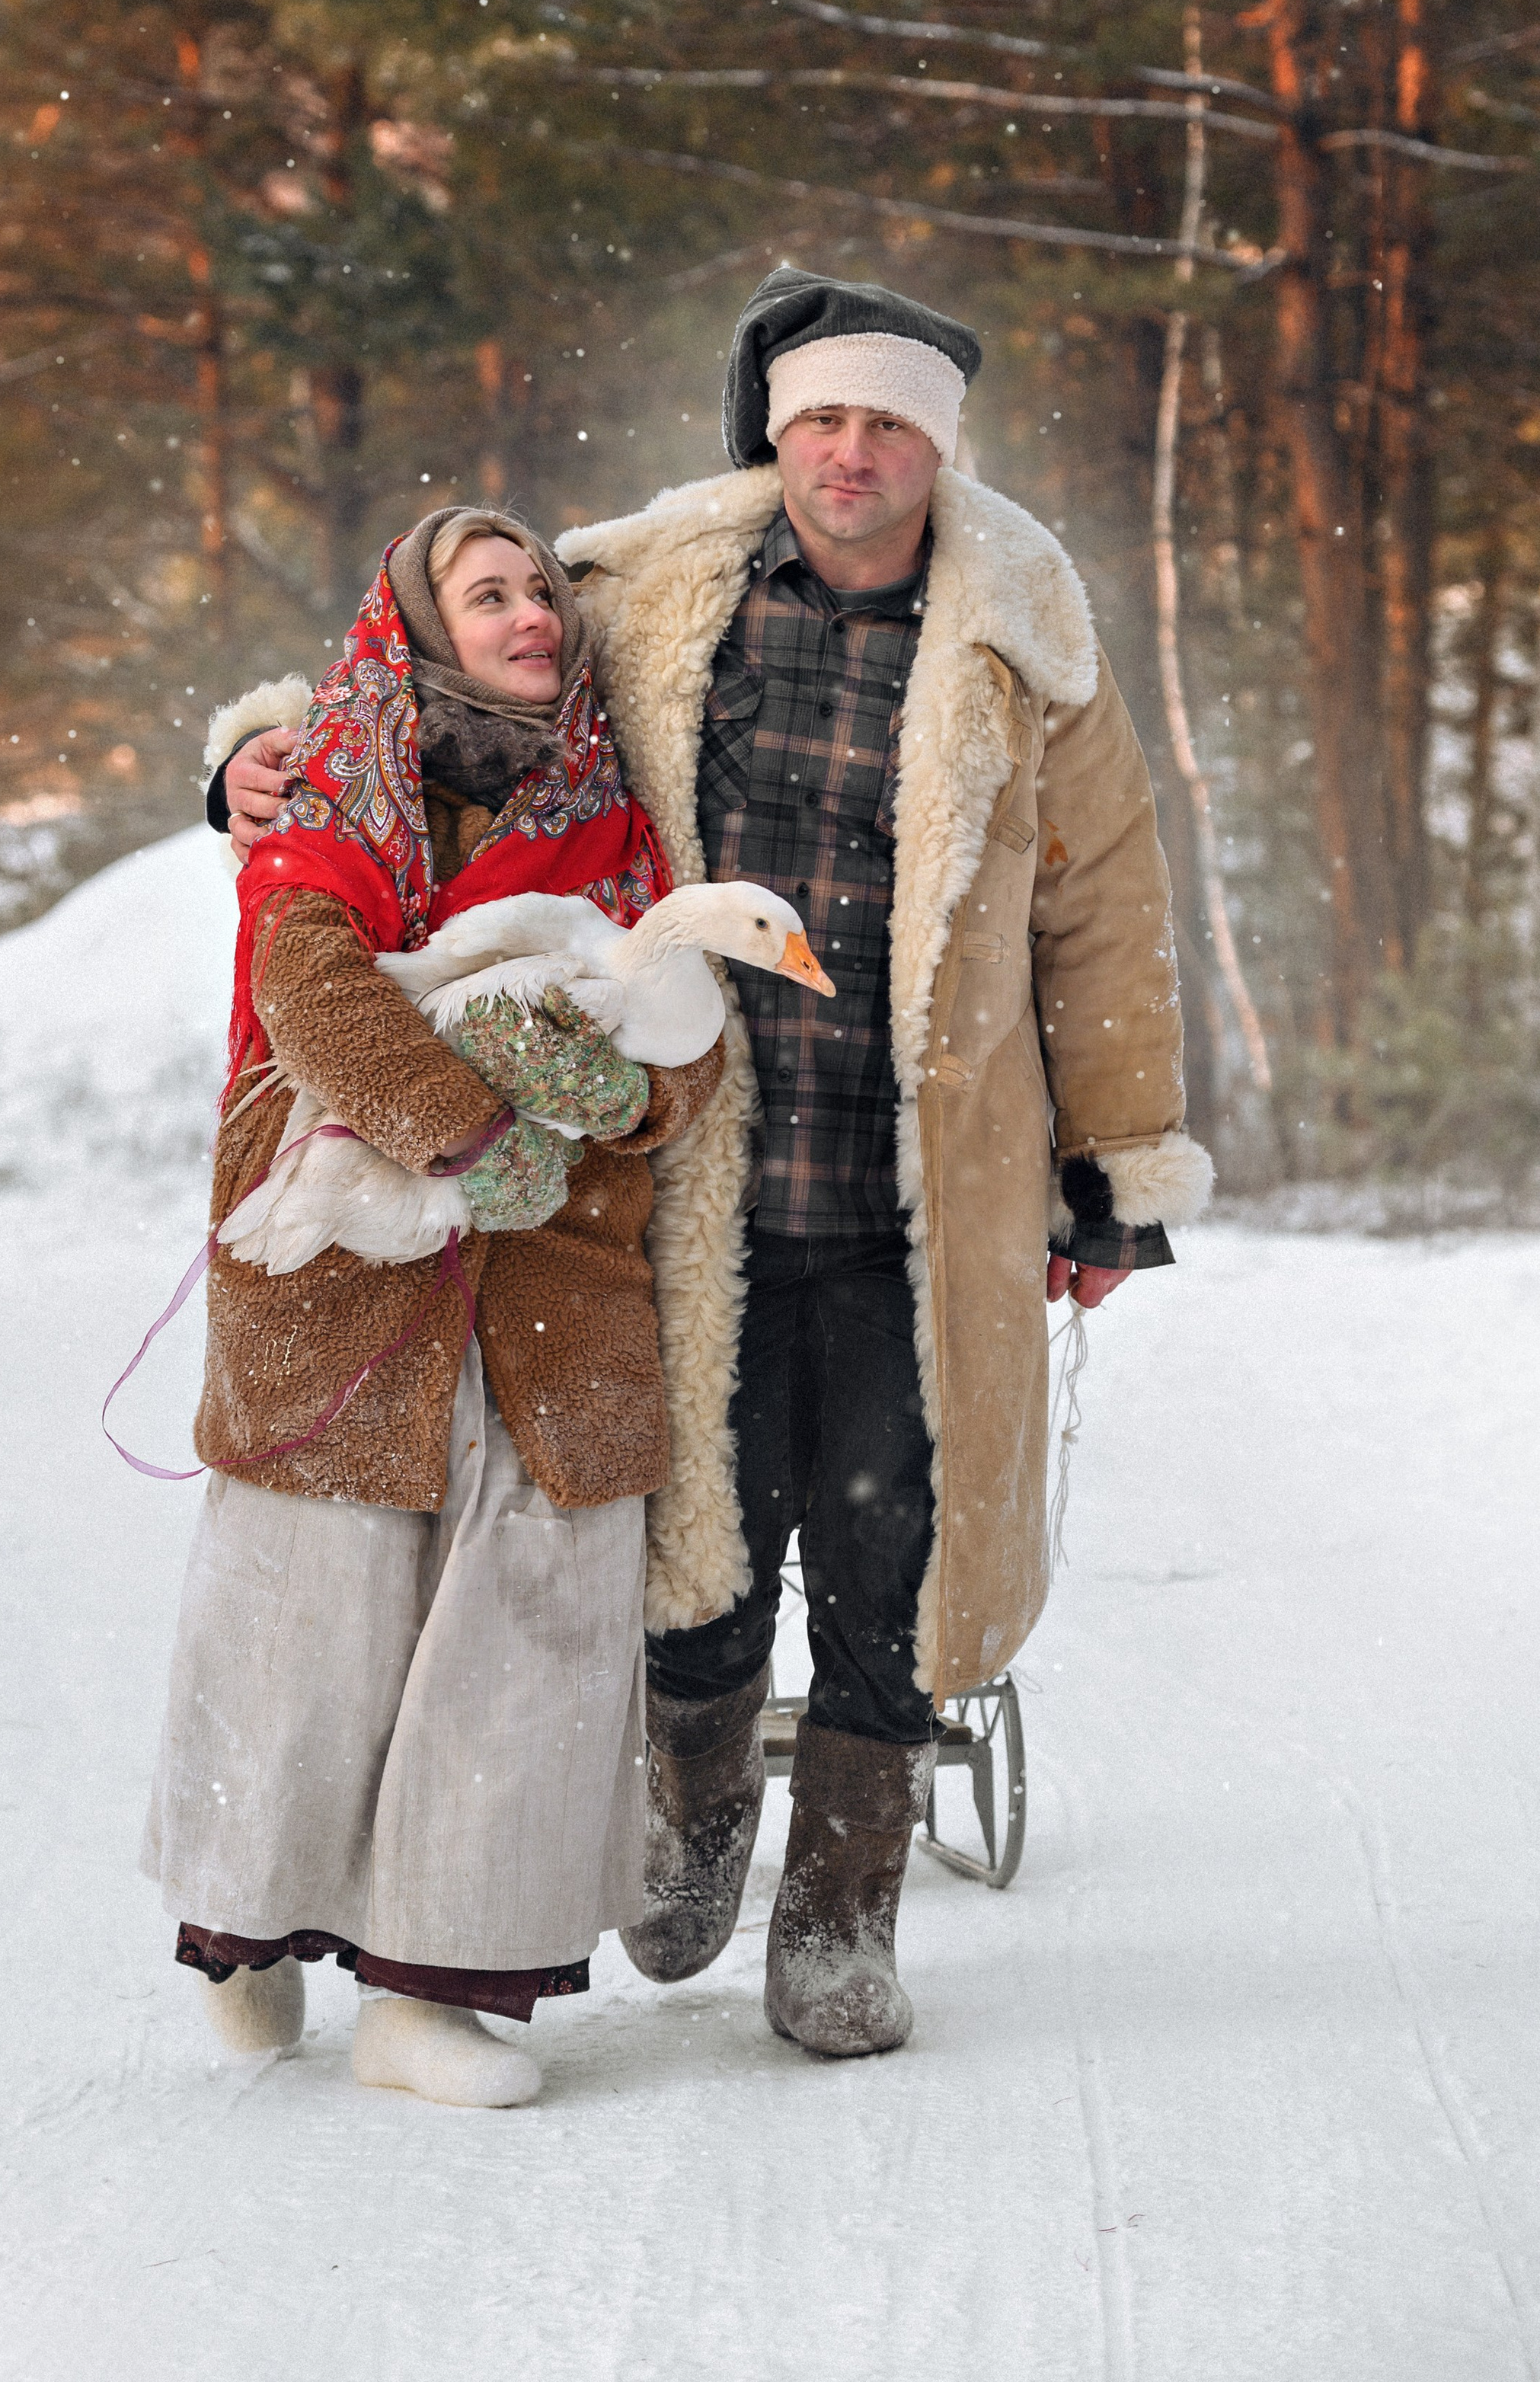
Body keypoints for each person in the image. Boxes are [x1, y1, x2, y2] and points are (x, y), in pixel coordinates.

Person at [216, 263, 1211, 2062]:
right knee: (695, 1533)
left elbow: (1103, 905)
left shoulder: (1023, 635)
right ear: (776, 427)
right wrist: (249, 763)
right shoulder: (648, 583)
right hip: (687, 1179)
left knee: (890, 1540)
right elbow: (429, 660)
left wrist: (1113, 1166)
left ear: (936, 449)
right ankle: (692, 1819)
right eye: (821, 416)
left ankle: (839, 1909)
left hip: (926, 1181)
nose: (850, 451)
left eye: (888, 423)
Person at [147, 506, 721, 2110]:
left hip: (560, 1284)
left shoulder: (614, 813)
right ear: (418, 622)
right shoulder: (335, 777)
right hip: (340, 1267)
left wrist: (619, 1103)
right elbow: (309, 983)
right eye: (488, 594)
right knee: (304, 1618)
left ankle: (428, 1998)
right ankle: (251, 1926)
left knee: (527, 1635)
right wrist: (462, 1129)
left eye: (541, 588)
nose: (530, 611)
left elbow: (687, 1031)